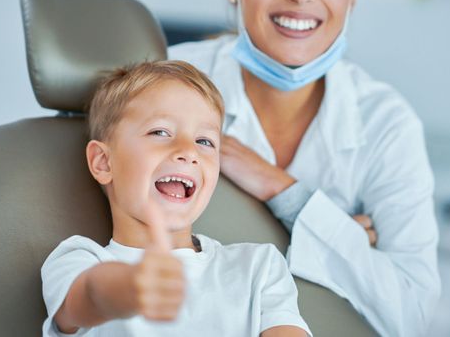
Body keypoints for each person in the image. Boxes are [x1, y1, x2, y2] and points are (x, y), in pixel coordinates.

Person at [168, 0, 441, 335]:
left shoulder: (385, 122)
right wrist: (344, 242)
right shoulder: (166, 85)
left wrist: (284, 193)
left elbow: (413, 312)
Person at [41, 60, 311, 336]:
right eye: (160, 132)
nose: (188, 151)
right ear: (103, 162)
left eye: (204, 141)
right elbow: (87, 297)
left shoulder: (258, 266)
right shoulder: (80, 260)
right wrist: (129, 286)